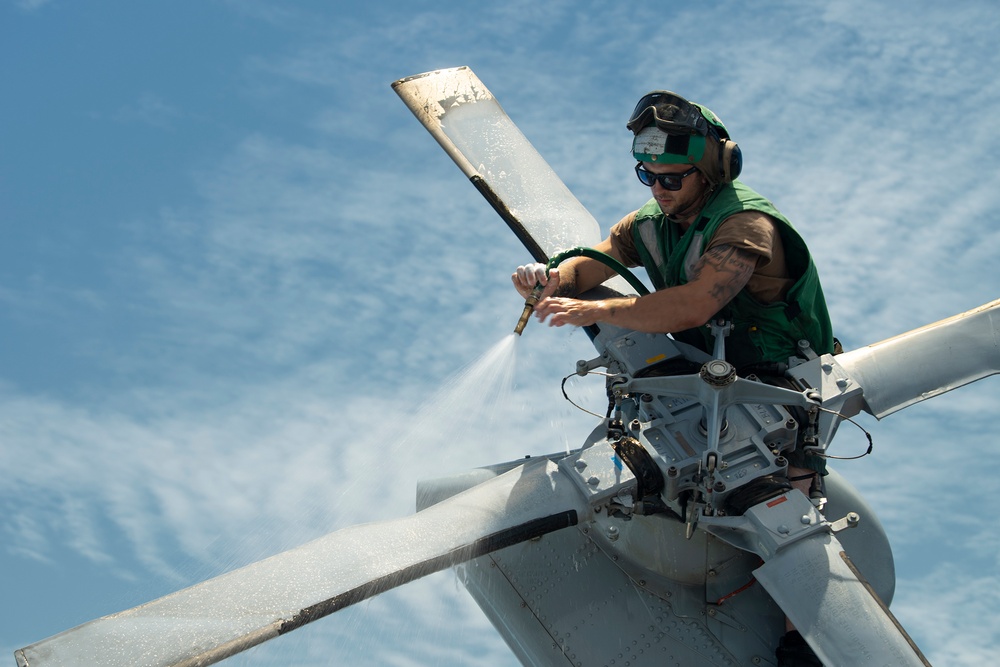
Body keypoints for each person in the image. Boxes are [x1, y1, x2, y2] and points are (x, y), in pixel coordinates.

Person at [511, 90, 833, 667]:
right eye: (647, 176)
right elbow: (603, 256)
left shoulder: (747, 225)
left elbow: (693, 306)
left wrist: (599, 312)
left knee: (786, 518)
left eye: (672, 179)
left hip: (779, 382)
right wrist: (555, 275)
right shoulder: (656, 221)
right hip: (704, 364)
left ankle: (801, 644)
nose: (658, 190)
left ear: (712, 170)